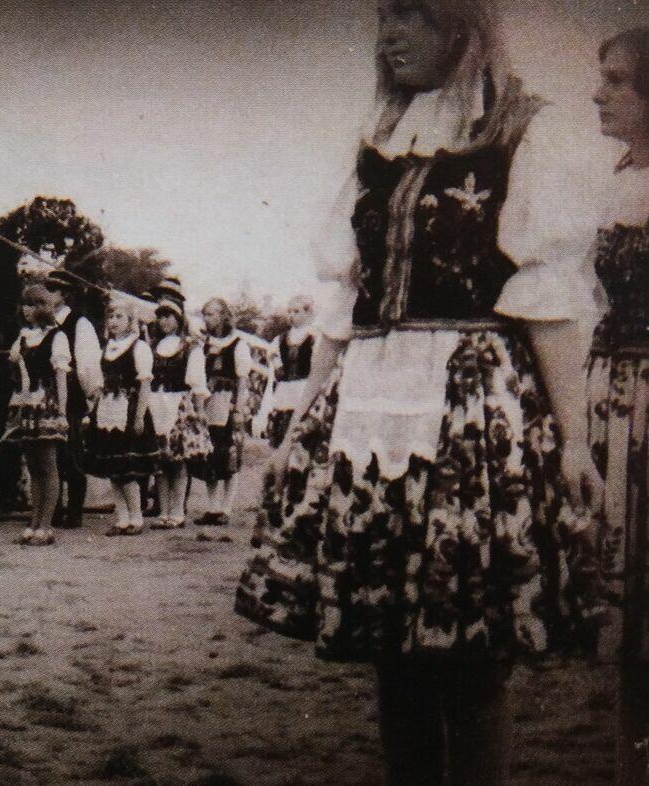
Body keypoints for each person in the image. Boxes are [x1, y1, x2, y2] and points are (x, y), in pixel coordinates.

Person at [235, 2, 604, 784]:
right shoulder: (377, 149)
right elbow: (344, 308)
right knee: (391, 654)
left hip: (470, 414)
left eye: (415, 16)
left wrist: (575, 439)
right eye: (385, 18)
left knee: (469, 658)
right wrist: (298, 429)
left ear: (464, 28)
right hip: (367, 410)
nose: (391, 36)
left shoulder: (519, 135)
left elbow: (551, 302)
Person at [588, 25, 649, 785]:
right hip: (612, 400)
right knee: (631, 637)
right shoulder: (613, 181)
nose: (598, 94)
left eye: (617, 80)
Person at [0, 284, 71, 546]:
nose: (26, 310)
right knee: (33, 466)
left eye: (32, 305)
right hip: (25, 403)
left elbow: (61, 378)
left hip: (46, 403)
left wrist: (62, 412)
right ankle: (34, 521)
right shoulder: (23, 337)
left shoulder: (57, 337)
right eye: (24, 305)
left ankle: (46, 525)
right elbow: (16, 374)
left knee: (48, 464)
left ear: (42, 307)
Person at [84, 298, 157, 536]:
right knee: (112, 467)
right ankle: (122, 518)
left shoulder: (139, 347)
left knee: (127, 469)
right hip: (107, 411)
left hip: (128, 410)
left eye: (119, 317)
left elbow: (144, 385)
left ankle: (136, 517)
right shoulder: (107, 348)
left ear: (130, 320)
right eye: (111, 317)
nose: (113, 321)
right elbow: (99, 381)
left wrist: (139, 417)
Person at [44, 268, 103, 530]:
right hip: (45, 395)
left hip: (70, 395)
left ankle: (75, 511)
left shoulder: (79, 323)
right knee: (49, 455)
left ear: (64, 294)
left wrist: (91, 394)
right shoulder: (42, 324)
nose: (48, 295)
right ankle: (52, 510)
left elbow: (88, 362)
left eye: (53, 290)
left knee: (71, 454)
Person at [148, 292, 212, 529]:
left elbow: (197, 382)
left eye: (169, 316)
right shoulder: (153, 346)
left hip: (178, 405)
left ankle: (177, 512)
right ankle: (163, 511)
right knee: (161, 462)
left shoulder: (189, 347)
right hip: (156, 403)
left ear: (179, 318)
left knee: (178, 462)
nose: (164, 321)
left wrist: (199, 412)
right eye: (160, 316)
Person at [192, 297, 254, 526]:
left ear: (223, 316)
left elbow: (242, 380)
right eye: (205, 314)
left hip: (228, 402)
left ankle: (226, 508)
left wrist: (239, 409)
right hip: (208, 403)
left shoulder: (238, 344)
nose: (207, 319)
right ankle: (212, 507)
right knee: (210, 454)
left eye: (212, 314)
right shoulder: (203, 344)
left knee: (229, 455)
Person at [264, 295, 316, 449]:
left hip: (305, 386)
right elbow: (272, 353)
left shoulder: (314, 336)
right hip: (286, 387)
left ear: (308, 313)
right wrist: (277, 364)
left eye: (297, 311)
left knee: (301, 427)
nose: (292, 315)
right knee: (283, 423)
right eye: (290, 311)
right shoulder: (281, 338)